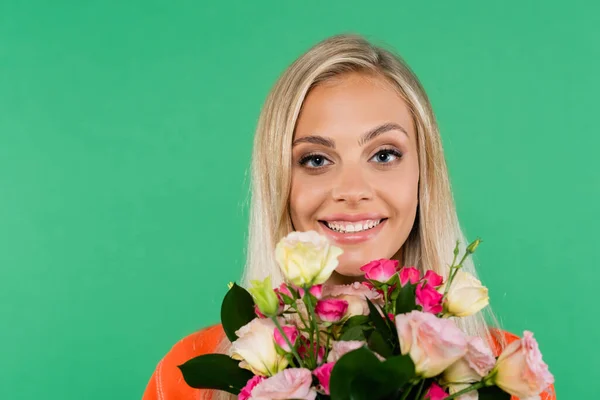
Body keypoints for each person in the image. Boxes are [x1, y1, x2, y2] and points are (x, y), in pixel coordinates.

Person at [142, 33, 556, 400]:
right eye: (317, 159)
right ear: (278, 183)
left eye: (384, 154)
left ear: (423, 175)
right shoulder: (189, 380)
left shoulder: (509, 376)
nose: (352, 190)